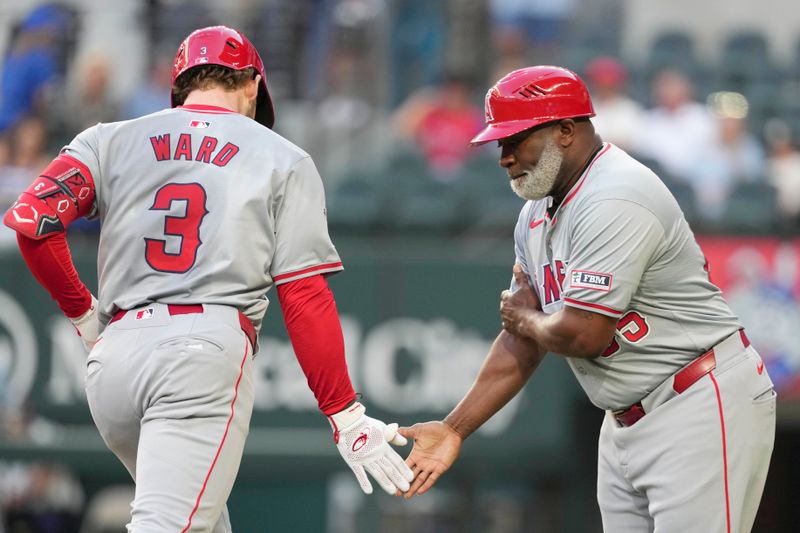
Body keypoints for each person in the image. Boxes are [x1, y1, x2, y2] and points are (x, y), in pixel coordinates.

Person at [3, 26, 412, 532]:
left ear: (181, 87)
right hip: (199, 355)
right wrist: (345, 414)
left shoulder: (106, 138)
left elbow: (32, 222)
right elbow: (304, 294)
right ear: (252, 86)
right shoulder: (282, 156)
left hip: (112, 364)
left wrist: (85, 315)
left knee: (202, 522)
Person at [399, 66, 776, 533]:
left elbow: (583, 334)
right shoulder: (534, 214)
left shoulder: (616, 193)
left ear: (565, 130)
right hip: (623, 418)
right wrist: (455, 427)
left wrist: (527, 320)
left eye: (516, 139)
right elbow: (523, 339)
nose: (505, 157)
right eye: (500, 143)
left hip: (696, 398)